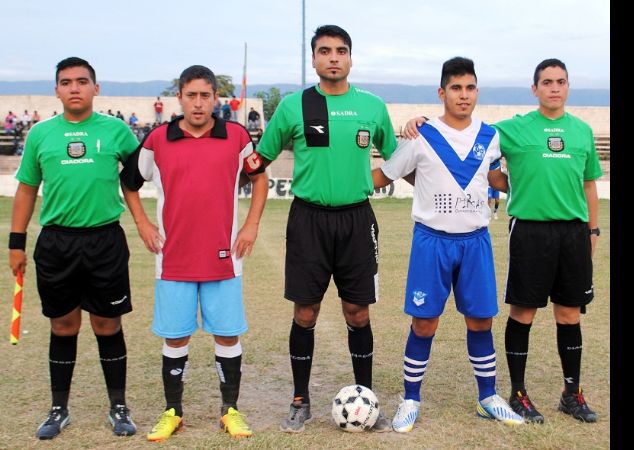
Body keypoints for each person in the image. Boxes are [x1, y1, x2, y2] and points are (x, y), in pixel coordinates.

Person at [402, 58, 602, 424]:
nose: (554, 88)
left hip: (573, 233)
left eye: (560, 81)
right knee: (522, 312)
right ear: (535, 89)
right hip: (529, 230)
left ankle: (571, 394)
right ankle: (518, 394)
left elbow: (589, 184)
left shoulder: (582, 132)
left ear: (568, 86)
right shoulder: (508, 130)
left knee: (570, 314)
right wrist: (419, 121)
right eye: (547, 82)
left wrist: (593, 230)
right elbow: (464, 134)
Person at [255, 24, 397, 433]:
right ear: (314, 58)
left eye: (340, 51)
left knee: (357, 311)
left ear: (351, 58)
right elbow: (260, 158)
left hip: (356, 219)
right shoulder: (293, 105)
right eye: (324, 51)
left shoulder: (372, 106)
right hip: (308, 219)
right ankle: (300, 400)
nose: (333, 57)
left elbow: (398, 160)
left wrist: (371, 180)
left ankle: (366, 399)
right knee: (305, 311)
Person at [373, 57, 523, 433]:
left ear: (477, 92)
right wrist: (340, 179)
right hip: (432, 241)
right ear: (442, 93)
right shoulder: (421, 135)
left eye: (470, 88)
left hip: (475, 241)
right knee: (424, 322)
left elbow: (494, 176)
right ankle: (410, 400)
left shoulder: (491, 137)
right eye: (456, 88)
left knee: (481, 319)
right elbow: (385, 174)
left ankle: (488, 398)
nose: (463, 95)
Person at [120, 65, 268, 441]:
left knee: (228, 336)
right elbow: (129, 183)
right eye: (192, 95)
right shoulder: (158, 139)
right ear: (180, 97)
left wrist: (250, 225)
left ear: (215, 99)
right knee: (174, 338)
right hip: (173, 259)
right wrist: (142, 224)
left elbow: (259, 177)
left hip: (224, 258)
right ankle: (173, 412)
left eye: (206, 95)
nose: (199, 103)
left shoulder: (235, 136)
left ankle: (229, 410)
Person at [8, 56, 139, 439]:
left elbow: (138, 174)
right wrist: (16, 243)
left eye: (82, 81)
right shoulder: (40, 134)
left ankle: (118, 406)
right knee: (63, 325)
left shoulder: (116, 131)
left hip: (105, 240)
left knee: (106, 323)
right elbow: (27, 188)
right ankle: (58, 408)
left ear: (96, 89)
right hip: (57, 243)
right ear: (57, 90)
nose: (75, 88)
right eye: (66, 82)